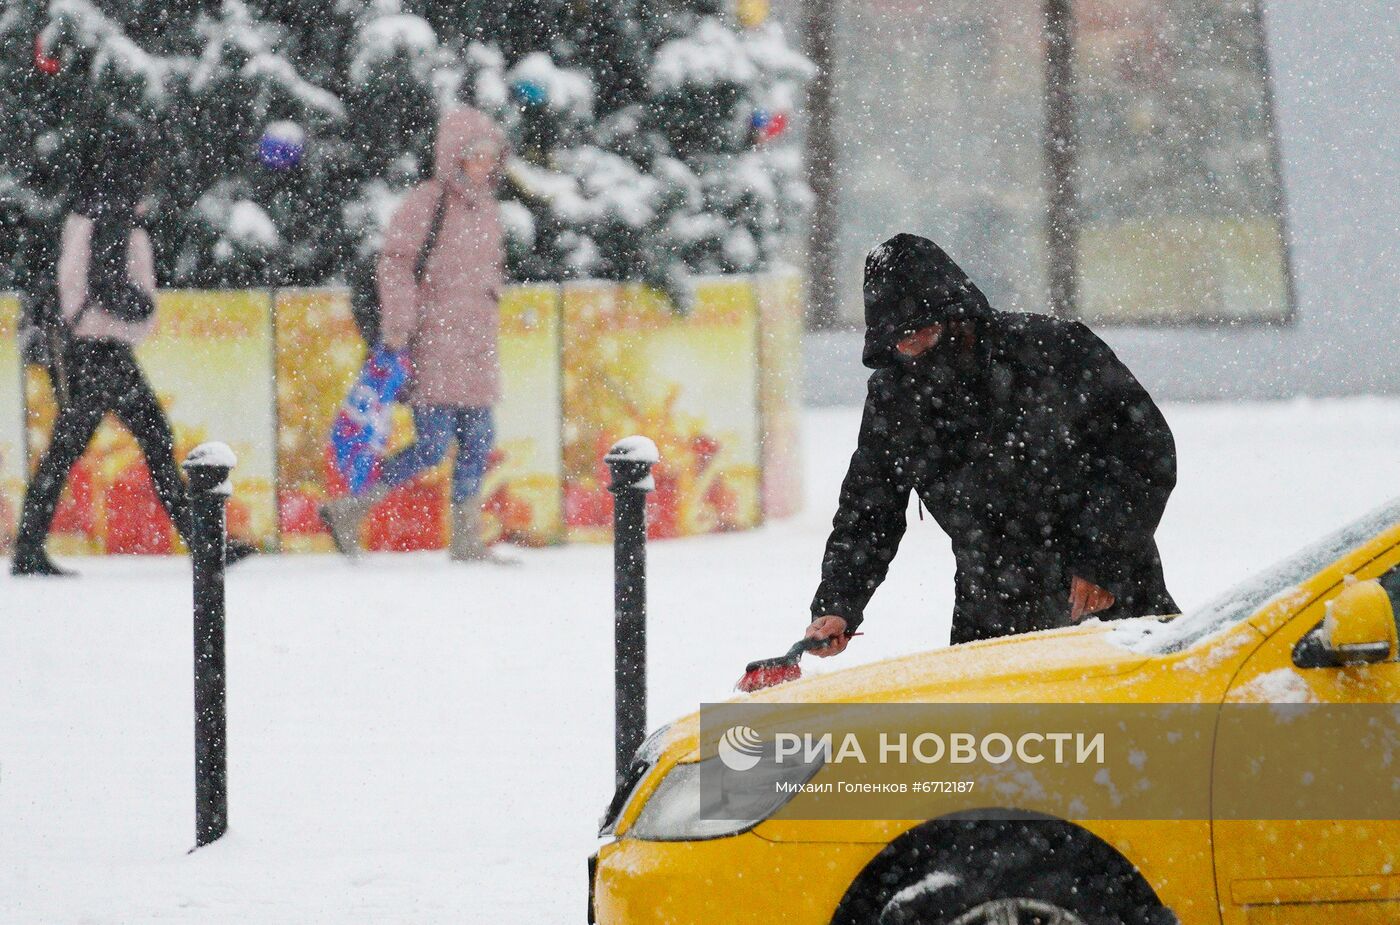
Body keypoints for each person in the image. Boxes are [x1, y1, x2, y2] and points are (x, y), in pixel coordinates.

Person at [805, 233, 1178, 655]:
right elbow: (869, 510)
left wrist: (1101, 559)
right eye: (899, 340)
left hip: (1111, 595)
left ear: (955, 318)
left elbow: (1145, 452)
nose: (910, 350)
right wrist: (839, 603)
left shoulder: (1055, 351)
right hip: (990, 609)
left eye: (920, 333)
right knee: (997, 724)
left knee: (1140, 718)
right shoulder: (896, 398)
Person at [11, 118, 254, 576]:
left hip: (87, 350)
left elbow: (70, 287)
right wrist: (131, 312)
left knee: (76, 448)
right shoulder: (114, 222)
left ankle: (29, 546)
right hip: (102, 350)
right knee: (152, 442)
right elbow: (98, 292)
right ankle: (203, 544)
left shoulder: (85, 214)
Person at [320, 106, 512, 563]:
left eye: (490, 156)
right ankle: (349, 510)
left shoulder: (488, 210)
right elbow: (396, 262)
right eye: (474, 156)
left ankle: (467, 540)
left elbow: (488, 273)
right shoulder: (428, 201)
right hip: (432, 341)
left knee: (479, 440)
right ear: (453, 156)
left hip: (475, 344)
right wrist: (399, 326)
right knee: (432, 445)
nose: (483, 165)